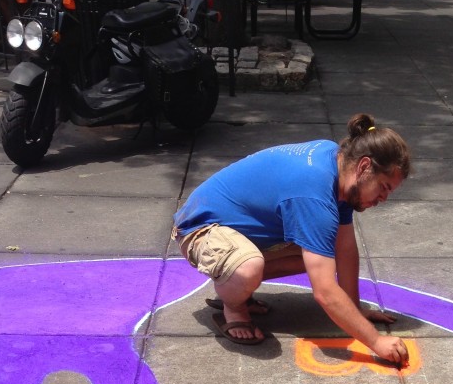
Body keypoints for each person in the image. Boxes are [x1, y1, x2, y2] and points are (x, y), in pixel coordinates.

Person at [172, 113, 411, 366]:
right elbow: (325, 292)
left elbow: (345, 248)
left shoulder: (338, 163)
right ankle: (234, 306)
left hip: (234, 228)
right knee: (250, 268)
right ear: (364, 167)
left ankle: (236, 276)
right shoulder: (314, 195)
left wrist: (355, 307)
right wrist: (376, 341)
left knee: (321, 250)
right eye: (383, 187)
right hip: (200, 229)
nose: (383, 199)